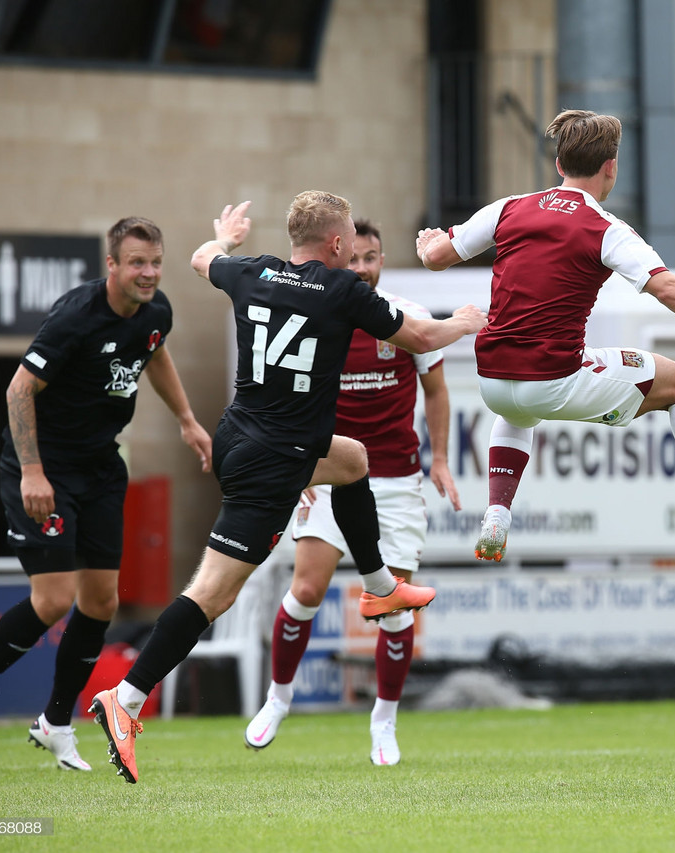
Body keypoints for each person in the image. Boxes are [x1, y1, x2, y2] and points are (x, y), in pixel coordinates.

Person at [88, 193, 486, 783]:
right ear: (334, 244)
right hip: (276, 461)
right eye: (350, 236)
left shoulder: (253, 270)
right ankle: (126, 698)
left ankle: (381, 588)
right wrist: (466, 321)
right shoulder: (342, 290)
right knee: (213, 593)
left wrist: (226, 237)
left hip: (240, 437)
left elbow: (202, 258)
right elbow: (423, 339)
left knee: (352, 459)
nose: (354, 247)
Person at [414, 109, 675, 563]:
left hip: (495, 382)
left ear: (560, 165)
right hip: (553, 379)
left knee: (521, 404)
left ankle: (497, 517)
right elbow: (667, 287)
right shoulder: (606, 229)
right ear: (612, 167)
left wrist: (427, 244)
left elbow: (436, 258)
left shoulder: (507, 208)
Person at [0, 217, 212, 771]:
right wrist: (33, 472)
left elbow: (154, 353)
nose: (149, 272)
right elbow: (20, 387)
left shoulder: (156, 311)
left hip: (100, 466)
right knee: (54, 599)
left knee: (101, 602)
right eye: (136, 262)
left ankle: (55, 723)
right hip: (43, 467)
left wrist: (187, 419)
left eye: (155, 262)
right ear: (111, 265)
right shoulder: (75, 317)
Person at [244, 219, 459, 766]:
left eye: (372, 258)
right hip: (332, 474)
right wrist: (301, 472)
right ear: (339, 257)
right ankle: (278, 699)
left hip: (396, 479)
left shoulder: (406, 316)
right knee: (308, 589)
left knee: (392, 608)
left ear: (382, 261)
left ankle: (383, 723)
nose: (363, 267)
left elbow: (436, 391)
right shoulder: (320, 315)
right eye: (355, 258)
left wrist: (439, 460)